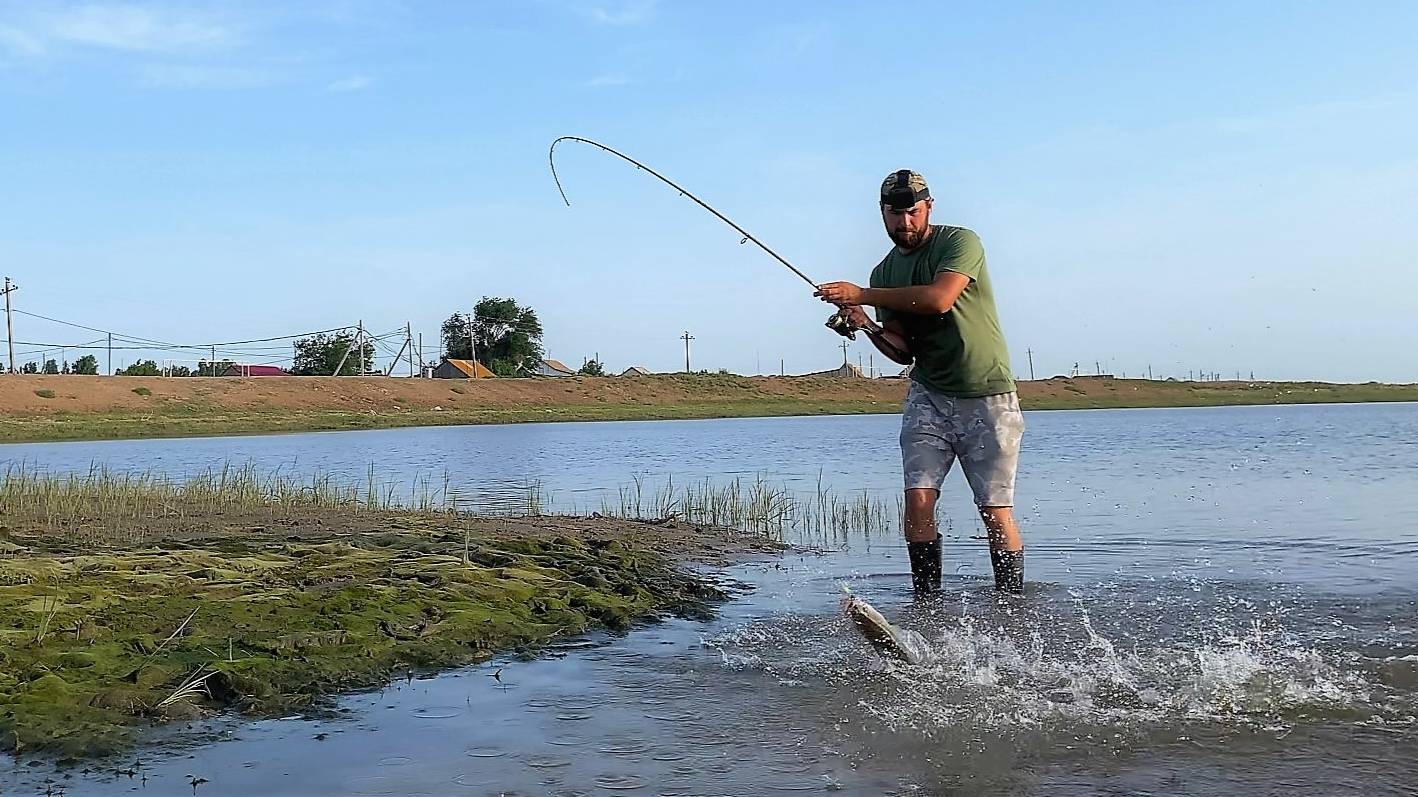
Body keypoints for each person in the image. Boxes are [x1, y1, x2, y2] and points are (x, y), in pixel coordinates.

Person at [815, 169, 1025, 595]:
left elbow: (939, 298)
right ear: (882, 214)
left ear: (928, 207)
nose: (904, 223)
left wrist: (862, 296)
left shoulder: (961, 242)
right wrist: (866, 326)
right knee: (918, 501)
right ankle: (926, 606)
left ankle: (1012, 605)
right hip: (929, 395)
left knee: (994, 511)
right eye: (895, 214)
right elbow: (903, 352)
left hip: (989, 395)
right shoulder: (884, 272)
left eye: (913, 212)